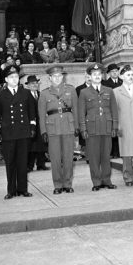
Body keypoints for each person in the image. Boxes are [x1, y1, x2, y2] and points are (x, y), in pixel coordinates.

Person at [0, 66, 36, 200]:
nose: (14, 79)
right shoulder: (0, 94)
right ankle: (11, 190)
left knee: (22, 162)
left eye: (16, 77)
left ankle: (23, 189)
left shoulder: (26, 93)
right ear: (6, 79)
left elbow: (31, 113)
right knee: (10, 163)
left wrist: (32, 127)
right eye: (11, 77)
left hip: (23, 132)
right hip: (8, 133)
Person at [39, 66, 79, 194]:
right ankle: (57, 185)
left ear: (63, 77)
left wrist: (77, 126)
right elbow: (41, 114)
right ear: (49, 78)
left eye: (59, 76)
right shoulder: (44, 93)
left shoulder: (71, 90)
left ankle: (67, 183)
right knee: (55, 158)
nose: (57, 78)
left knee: (68, 157)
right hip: (52, 128)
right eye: (54, 76)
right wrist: (43, 131)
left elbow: (76, 110)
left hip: (68, 126)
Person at [78, 63, 119, 191]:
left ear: (102, 75)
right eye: (94, 74)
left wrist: (115, 127)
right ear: (90, 76)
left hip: (106, 127)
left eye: (99, 74)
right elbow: (81, 113)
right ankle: (96, 181)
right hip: (92, 129)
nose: (97, 76)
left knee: (106, 155)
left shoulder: (109, 91)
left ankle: (106, 180)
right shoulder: (84, 92)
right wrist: (83, 129)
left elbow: (114, 110)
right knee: (94, 157)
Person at [24, 75, 49, 172]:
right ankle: (29, 166)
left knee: (42, 143)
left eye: (36, 83)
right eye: (32, 83)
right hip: (31, 123)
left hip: (41, 122)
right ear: (28, 85)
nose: (35, 85)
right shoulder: (26, 95)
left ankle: (41, 164)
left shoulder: (41, 94)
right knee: (31, 145)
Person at [102, 63, 122, 158]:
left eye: (116, 71)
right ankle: (114, 152)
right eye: (112, 71)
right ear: (109, 73)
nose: (115, 73)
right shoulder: (105, 84)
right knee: (113, 131)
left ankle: (122, 151)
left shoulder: (122, 82)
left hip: (122, 109)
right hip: (111, 110)